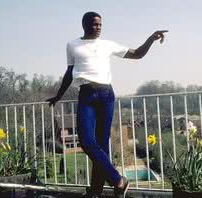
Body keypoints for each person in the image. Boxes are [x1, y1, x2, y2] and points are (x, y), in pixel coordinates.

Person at [46, 11, 167, 198]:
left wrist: (151, 39)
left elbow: (137, 54)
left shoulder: (107, 45)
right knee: (86, 141)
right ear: (84, 25)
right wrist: (58, 96)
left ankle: (95, 192)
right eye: (94, 24)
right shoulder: (72, 45)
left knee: (102, 146)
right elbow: (69, 73)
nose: (98, 28)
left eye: (100, 25)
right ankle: (119, 180)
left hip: (106, 95)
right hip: (86, 95)